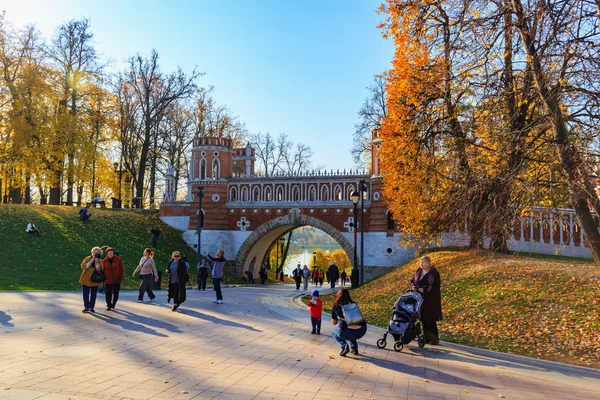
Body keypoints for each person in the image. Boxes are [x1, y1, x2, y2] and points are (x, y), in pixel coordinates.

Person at [410, 255, 442, 345]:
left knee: (430, 319)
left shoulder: (434, 273)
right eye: (420, 262)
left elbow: (436, 286)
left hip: (431, 299)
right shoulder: (418, 271)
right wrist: (412, 286)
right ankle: (427, 338)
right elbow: (412, 280)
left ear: (428, 263)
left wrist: (425, 289)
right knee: (423, 318)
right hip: (420, 298)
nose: (421, 264)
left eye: (423, 262)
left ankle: (435, 338)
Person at [331, 288, 367, 356]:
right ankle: (354, 349)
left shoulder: (336, 306)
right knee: (351, 331)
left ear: (338, 295)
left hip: (346, 332)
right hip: (362, 330)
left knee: (335, 332)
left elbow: (334, 322)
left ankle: (344, 346)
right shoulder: (354, 304)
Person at [79, 247, 104, 313]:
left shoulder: (100, 260)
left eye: (97, 253)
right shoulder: (87, 258)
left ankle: (91, 307)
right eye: (94, 252)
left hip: (95, 280)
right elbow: (83, 267)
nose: (95, 254)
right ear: (91, 253)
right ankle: (86, 307)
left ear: (99, 254)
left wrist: (96, 263)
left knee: (93, 295)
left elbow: (100, 270)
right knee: (85, 294)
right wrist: (90, 262)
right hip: (85, 279)